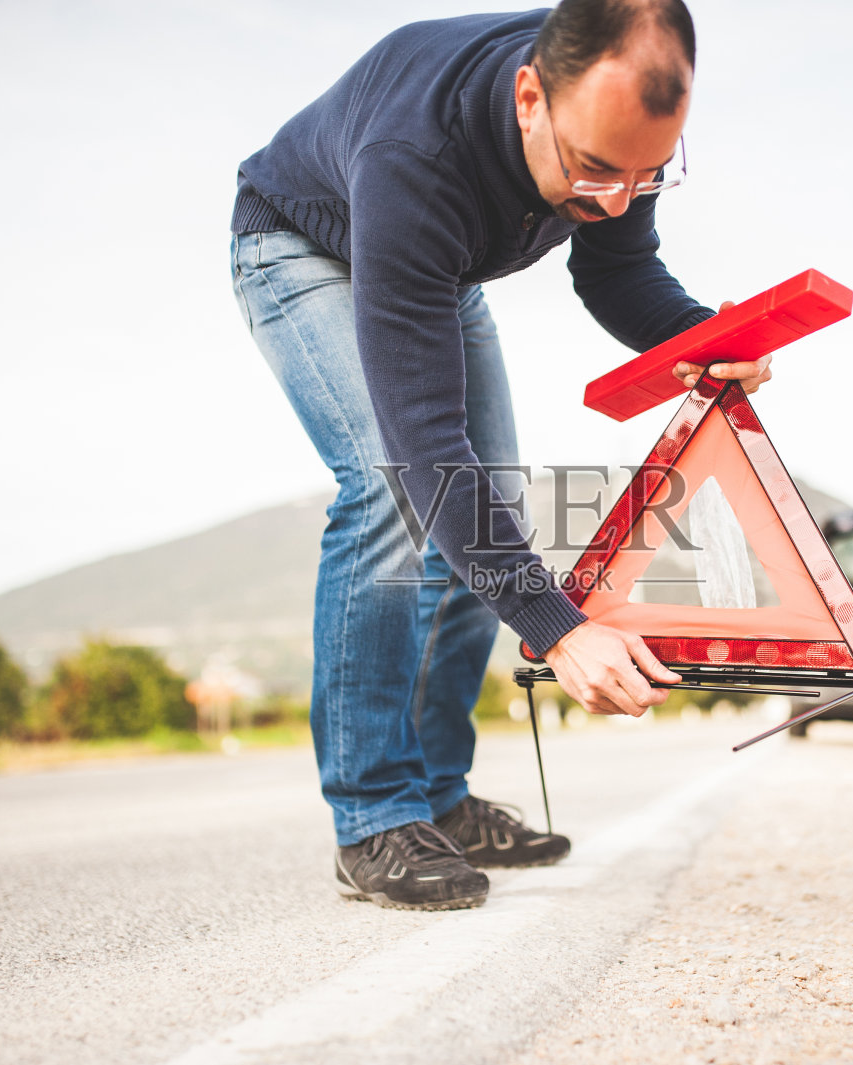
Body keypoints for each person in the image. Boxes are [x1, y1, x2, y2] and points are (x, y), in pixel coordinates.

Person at [229, 0, 773, 911]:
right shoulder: (416, 155)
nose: (609, 200)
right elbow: (429, 453)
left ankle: (438, 796)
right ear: (530, 96)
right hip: (304, 246)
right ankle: (372, 814)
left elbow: (618, 273)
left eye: (643, 178)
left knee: (492, 514)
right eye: (593, 169)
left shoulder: (617, 113)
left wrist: (704, 336)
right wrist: (559, 628)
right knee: (396, 490)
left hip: (437, 271)